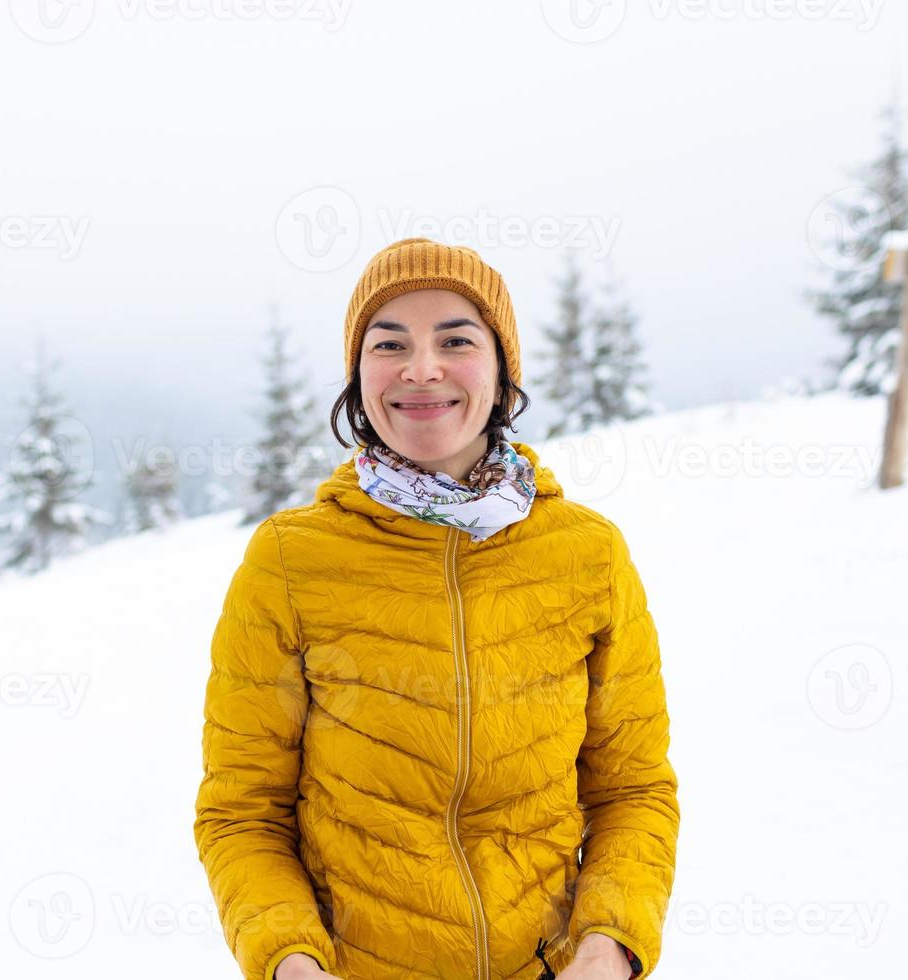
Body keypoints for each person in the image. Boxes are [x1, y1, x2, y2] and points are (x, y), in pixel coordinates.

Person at [194, 237, 679, 979]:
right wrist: (289, 961)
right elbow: (243, 811)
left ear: (501, 368)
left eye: (455, 339)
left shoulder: (588, 554)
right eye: (390, 345)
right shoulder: (291, 561)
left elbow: (633, 789)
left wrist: (608, 946)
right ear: (359, 379)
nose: (422, 369)